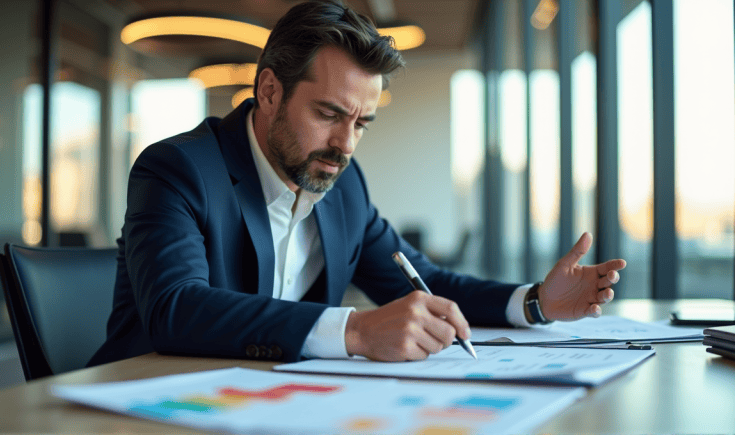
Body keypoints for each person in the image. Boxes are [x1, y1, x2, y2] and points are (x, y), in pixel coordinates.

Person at [88, 0, 625, 366]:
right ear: (270, 91)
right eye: (328, 113)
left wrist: (533, 302)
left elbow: (423, 281)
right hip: (146, 404)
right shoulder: (178, 169)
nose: (345, 145)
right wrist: (355, 330)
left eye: (361, 123)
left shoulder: (342, 185)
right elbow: (176, 309)